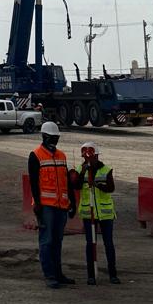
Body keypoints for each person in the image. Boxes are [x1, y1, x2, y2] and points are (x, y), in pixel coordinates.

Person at [28, 121, 76, 289]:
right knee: (46, 241)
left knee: (57, 241)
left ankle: (58, 273)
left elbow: (66, 182)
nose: (54, 140)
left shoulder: (62, 156)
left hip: (61, 206)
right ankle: (50, 275)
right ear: (44, 136)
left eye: (56, 138)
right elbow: (33, 182)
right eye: (51, 137)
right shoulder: (36, 155)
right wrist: (38, 204)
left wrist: (72, 201)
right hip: (46, 206)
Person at [73, 143, 121, 285]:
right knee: (90, 244)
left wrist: (97, 184)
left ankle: (113, 274)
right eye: (86, 158)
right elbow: (76, 186)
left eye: (91, 158)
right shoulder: (80, 169)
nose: (89, 160)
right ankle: (91, 275)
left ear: (97, 156)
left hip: (105, 213)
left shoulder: (105, 170)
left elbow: (111, 188)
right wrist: (82, 172)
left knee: (108, 244)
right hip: (89, 213)